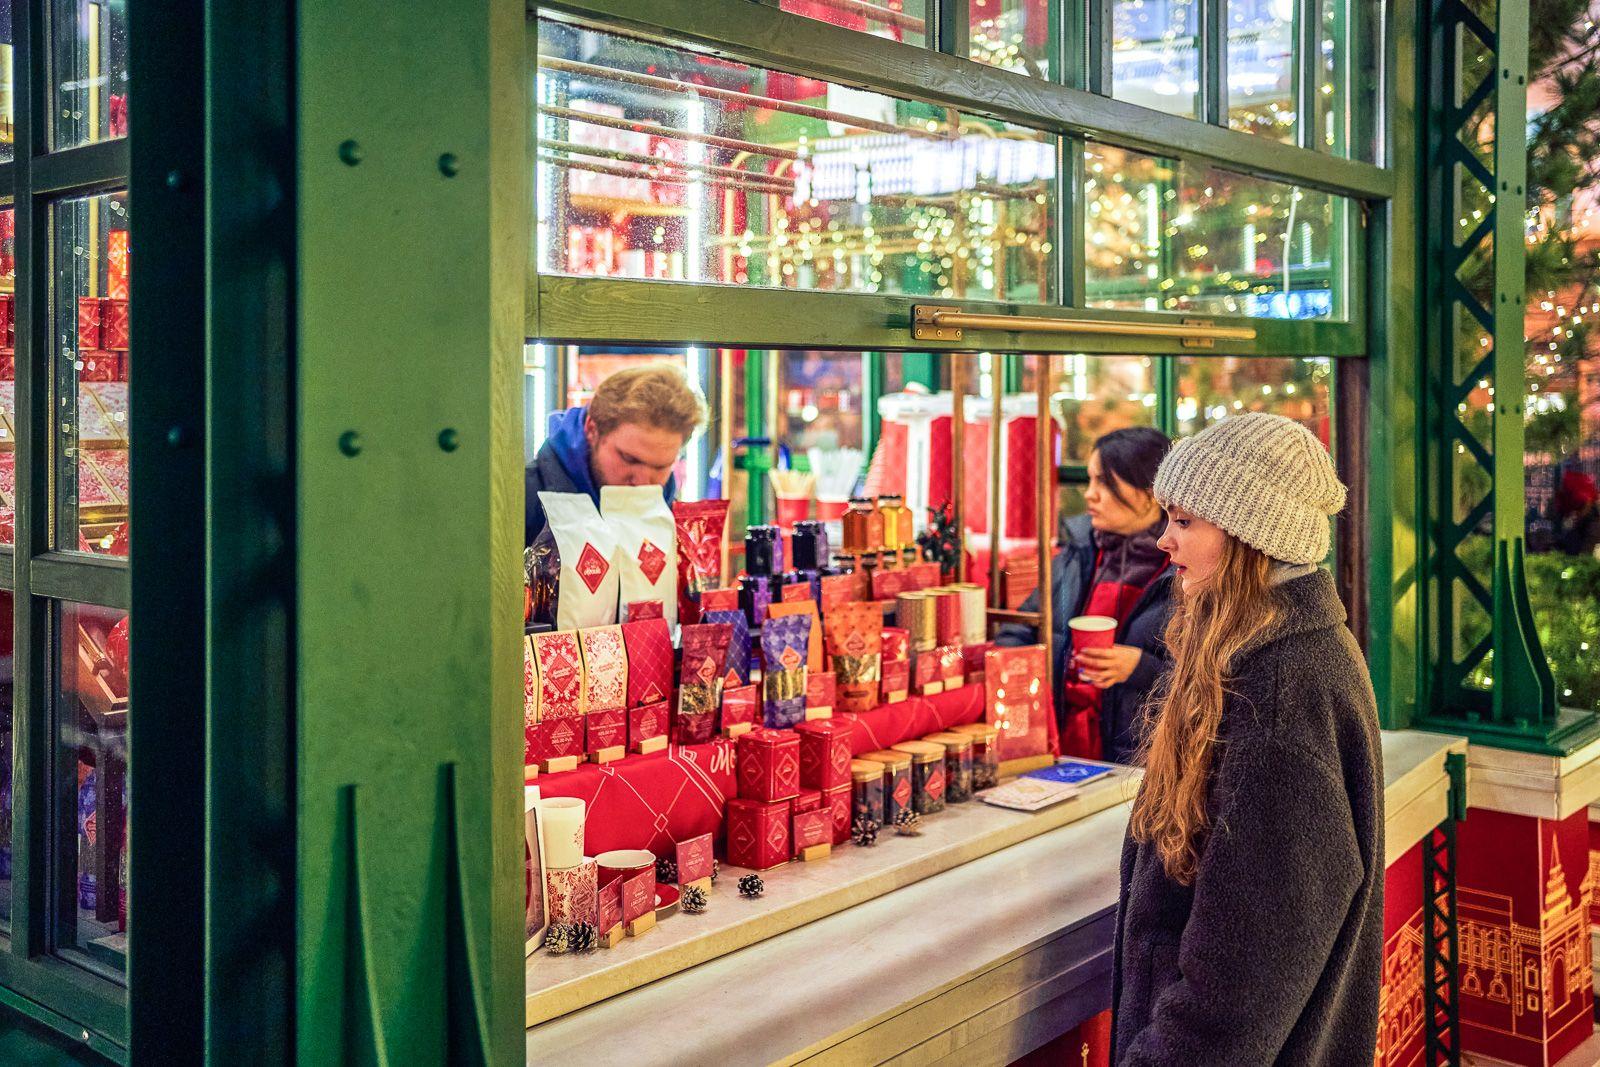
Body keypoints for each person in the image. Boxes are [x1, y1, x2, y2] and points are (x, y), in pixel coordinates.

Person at [1112, 412, 1382, 1065]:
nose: (1163, 541)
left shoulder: (1281, 699)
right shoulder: (1272, 654)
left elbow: (1238, 987)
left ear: (1249, 535)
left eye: (1184, 520)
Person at [994, 426, 1175, 764]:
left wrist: (1140, 668)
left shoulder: (1182, 570)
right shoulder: (1077, 555)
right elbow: (1019, 629)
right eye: (1090, 480)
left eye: (1105, 483)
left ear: (1151, 492)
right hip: (1058, 751)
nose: (1090, 494)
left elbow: (1214, 681)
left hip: (1140, 764)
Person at [525, 364, 707, 544]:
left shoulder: (676, 524)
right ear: (591, 429)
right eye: (629, 459)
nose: (642, 483)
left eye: (661, 466)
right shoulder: (521, 502)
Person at [1551, 468, 1600, 557]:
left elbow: (1588, 502)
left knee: (1584, 550)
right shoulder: (1567, 487)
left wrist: (1579, 517)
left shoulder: (1572, 483)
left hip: (1588, 520)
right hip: (1581, 520)